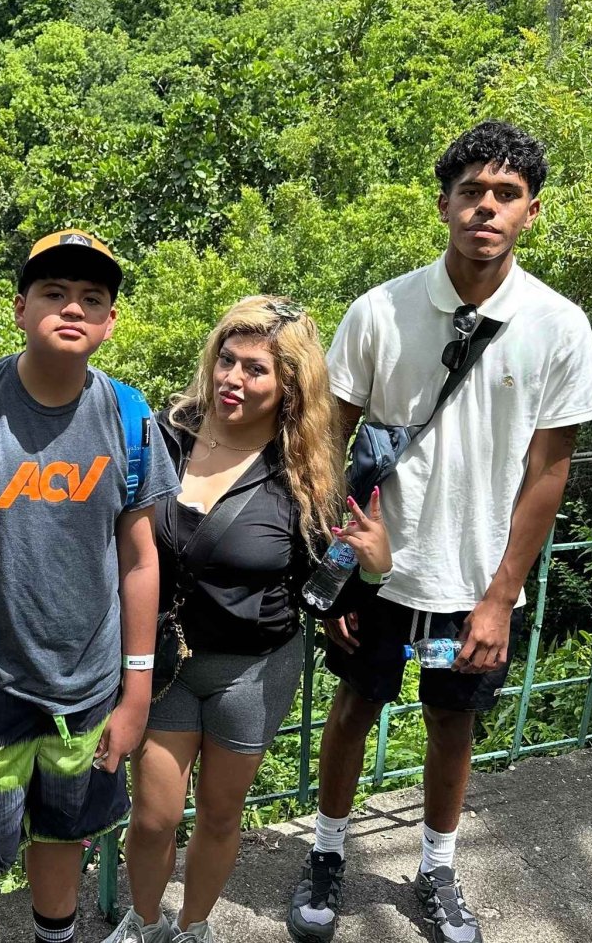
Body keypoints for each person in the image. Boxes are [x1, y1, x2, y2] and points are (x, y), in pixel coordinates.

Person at [287, 121, 592, 943]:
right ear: (444, 205)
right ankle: (326, 851)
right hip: (374, 566)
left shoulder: (558, 325)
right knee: (353, 705)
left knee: (453, 721)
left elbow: (548, 471)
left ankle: (436, 865)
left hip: (476, 577)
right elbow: (327, 443)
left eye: (505, 195)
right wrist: (333, 564)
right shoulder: (381, 310)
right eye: (472, 193)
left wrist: (501, 595)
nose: (486, 209)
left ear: (532, 211)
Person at [0, 229, 178, 943]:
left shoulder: (132, 420)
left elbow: (141, 559)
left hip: (87, 686)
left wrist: (135, 690)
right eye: (54, 292)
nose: (73, 307)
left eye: (92, 297)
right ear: (21, 308)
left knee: (64, 837)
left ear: (110, 321)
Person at [103, 297, 390, 943]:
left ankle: (195, 925)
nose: (233, 378)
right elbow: (118, 537)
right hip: (167, 661)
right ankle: (143, 922)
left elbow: (323, 586)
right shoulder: (166, 433)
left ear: (289, 385)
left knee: (220, 814)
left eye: (255, 369)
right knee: (152, 816)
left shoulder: (306, 470)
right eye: (227, 360)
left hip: (254, 668)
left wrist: (374, 566)